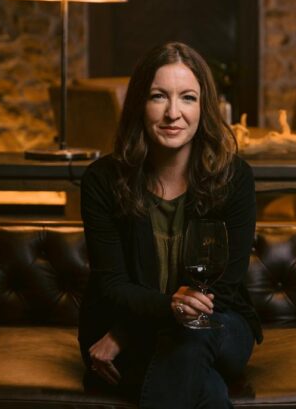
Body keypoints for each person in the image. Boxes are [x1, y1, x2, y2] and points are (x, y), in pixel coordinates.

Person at [78, 41, 262, 408]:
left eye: (188, 98)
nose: (173, 113)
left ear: (203, 107)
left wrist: (125, 334)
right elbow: (112, 285)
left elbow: (223, 288)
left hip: (218, 325)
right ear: (139, 106)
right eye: (159, 97)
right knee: (205, 386)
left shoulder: (235, 178)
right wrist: (165, 311)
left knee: (193, 338)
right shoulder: (102, 180)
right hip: (131, 328)